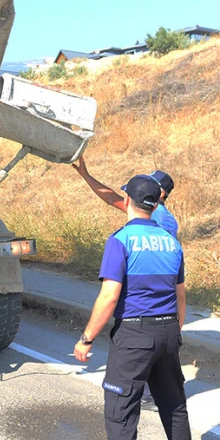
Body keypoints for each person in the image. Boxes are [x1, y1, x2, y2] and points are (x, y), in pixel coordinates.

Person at [73, 175, 202, 440]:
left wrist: (86, 338)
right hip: (169, 330)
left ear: (127, 201)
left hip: (134, 336)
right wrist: (175, 333)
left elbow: (110, 295)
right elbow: (180, 294)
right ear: (155, 204)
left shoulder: (121, 240)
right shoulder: (171, 241)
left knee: (120, 413)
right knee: (173, 403)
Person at [72, 159, 179, 411]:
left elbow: (111, 198)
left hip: (143, 293)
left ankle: (141, 397)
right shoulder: (168, 219)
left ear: (159, 193)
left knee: (137, 342)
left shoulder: (155, 216)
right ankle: (154, 394)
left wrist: (86, 175)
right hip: (163, 290)